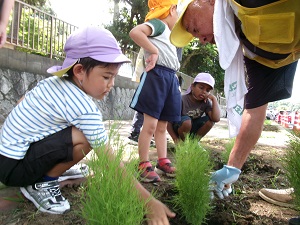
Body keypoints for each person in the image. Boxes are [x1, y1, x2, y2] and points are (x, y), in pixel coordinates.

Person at [0, 26, 175, 223]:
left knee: (73, 131)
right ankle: (42, 184)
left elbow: (20, 102)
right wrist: (148, 201)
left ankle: (52, 169)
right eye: (106, 77)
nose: (111, 85)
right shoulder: (83, 107)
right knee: (85, 138)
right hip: (15, 170)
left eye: (114, 77)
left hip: (7, 157)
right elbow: (109, 160)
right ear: (80, 71)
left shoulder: (52, 83)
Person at [170, 0, 299, 200]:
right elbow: (254, 110)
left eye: (194, 27)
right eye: (195, 36)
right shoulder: (250, 49)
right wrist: (232, 168)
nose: (202, 40)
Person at [129, 0, 181, 183]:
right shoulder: (158, 24)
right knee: (150, 125)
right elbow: (135, 32)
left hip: (169, 78)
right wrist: (153, 51)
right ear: (171, 10)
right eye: (178, 13)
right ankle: (143, 163)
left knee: (162, 126)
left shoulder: (169, 33)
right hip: (156, 76)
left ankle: (163, 160)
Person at [167, 73, 220, 144]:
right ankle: (184, 143)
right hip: (180, 127)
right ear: (192, 86)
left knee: (210, 121)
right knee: (187, 121)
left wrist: (214, 99)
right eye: (201, 87)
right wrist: (175, 139)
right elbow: (168, 122)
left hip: (192, 128)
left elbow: (216, 119)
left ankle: (193, 143)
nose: (204, 92)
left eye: (207, 90)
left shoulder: (205, 102)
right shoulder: (182, 100)